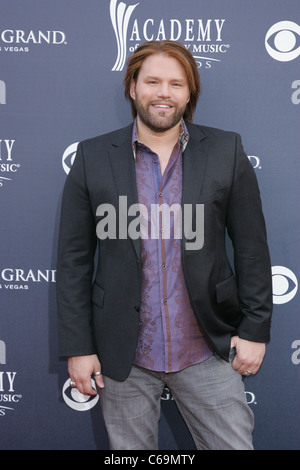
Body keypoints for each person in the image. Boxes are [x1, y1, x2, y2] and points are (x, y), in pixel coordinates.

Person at [56, 40, 272, 450]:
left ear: (189, 94)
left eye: (176, 84)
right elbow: (73, 261)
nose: (163, 92)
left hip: (208, 346)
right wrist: (79, 347)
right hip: (123, 356)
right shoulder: (93, 156)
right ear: (132, 87)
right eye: (152, 81)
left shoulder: (226, 150)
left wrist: (255, 330)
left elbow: (252, 249)